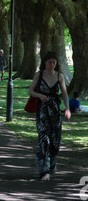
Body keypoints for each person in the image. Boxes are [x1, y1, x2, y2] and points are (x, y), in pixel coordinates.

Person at [29, 51, 71, 181]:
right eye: (49, 62)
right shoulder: (39, 75)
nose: (51, 65)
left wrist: (67, 108)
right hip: (42, 111)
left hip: (55, 111)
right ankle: (44, 171)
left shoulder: (60, 76)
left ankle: (52, 165)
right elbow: (30, 91)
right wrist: (40, 95)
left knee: (55, 142)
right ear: (45, 63)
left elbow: (64, 93)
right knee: (44, 141)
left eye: (54, 62)